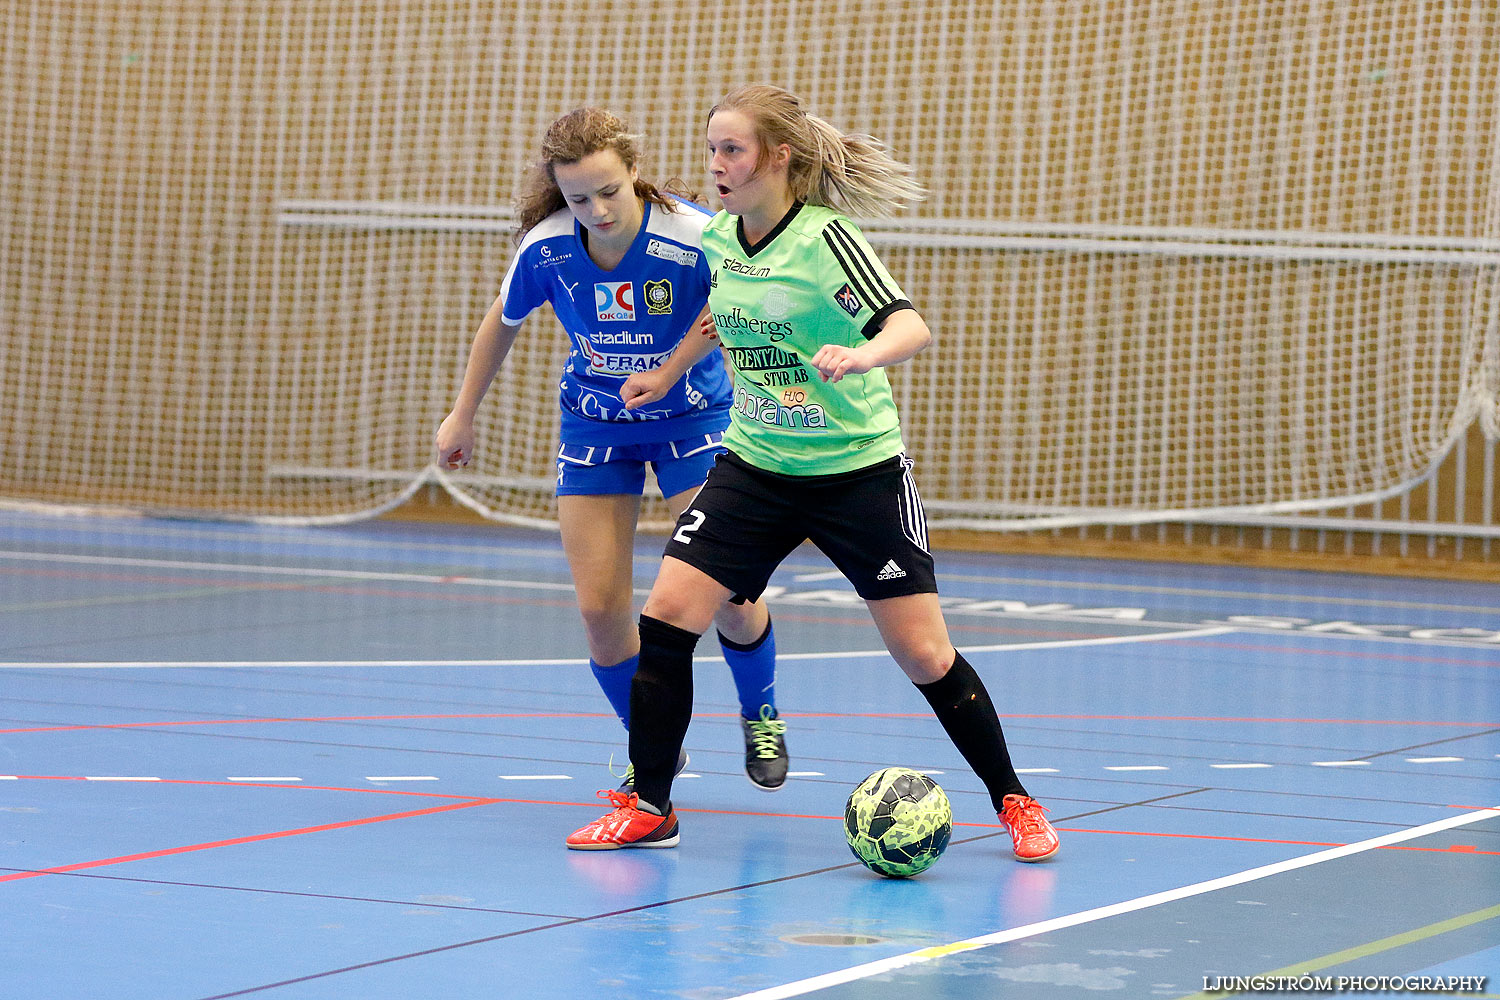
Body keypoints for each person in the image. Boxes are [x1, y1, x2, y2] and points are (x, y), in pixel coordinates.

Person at [564, 86, 1059, 861]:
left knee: (926, 655)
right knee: (667, 617)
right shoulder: (721, 239)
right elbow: (721, 313)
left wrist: (862, 353)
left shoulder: (827, 241)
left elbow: (909, 322)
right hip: (757, 464)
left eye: (731, 149)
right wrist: (667, 372)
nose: (717, 164)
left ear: (777, 157)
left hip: (856, 473)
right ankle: (651, 805)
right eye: (712, 148)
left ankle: (1016, 801)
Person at [436, 108, 790, 791]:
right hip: (598, 425)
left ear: (634, 172)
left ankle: (762, 711)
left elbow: (730, 312)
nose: (596, 209)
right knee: (601, 611)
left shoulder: (693, 236)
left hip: (696, 419)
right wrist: (461, 413)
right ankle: (650, 741)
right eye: (578, 198)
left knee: (732, 594)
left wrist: (666, 370)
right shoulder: (545, 247)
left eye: (608, 191)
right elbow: (501, 322)